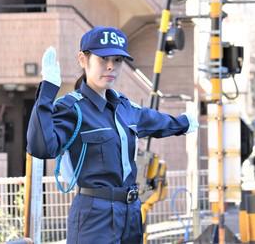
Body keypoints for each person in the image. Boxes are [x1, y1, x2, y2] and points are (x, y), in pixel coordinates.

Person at [26, 26, 198, 244]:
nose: (111, 66)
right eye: (103, 59)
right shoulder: (72, 108)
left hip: (131, 211)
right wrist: (48, 90)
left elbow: (154, 121)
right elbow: (40, 147)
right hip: (94, 215)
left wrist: (184, 122)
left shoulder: (124, 107)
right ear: (83, 59)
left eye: (117, 60)